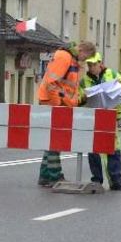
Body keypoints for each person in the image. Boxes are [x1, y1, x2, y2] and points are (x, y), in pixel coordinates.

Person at [35, 41, 94, 187]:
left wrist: (77, 100)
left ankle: (45, 175)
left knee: (53, 140)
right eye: (86, 58)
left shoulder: (71, 59)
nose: (85, 61)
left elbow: (66, 87)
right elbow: (51, 83)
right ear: (82, 51)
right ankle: (55, 176)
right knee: (56, 140)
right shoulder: (64, 57)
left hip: (58, 103)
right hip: (54, 103)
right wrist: (59, 104)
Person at [80, 53, 121, 190]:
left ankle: (116, 181)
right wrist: (83, 96)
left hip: (110, 115)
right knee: (94, 149)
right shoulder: (84, 80)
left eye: (93, 65)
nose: (91, 68)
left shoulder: (111, 73)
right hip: (94, 117)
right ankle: (97, 180)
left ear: (100, 63)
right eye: (89, 65)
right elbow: (79, 98)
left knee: (114, 148)